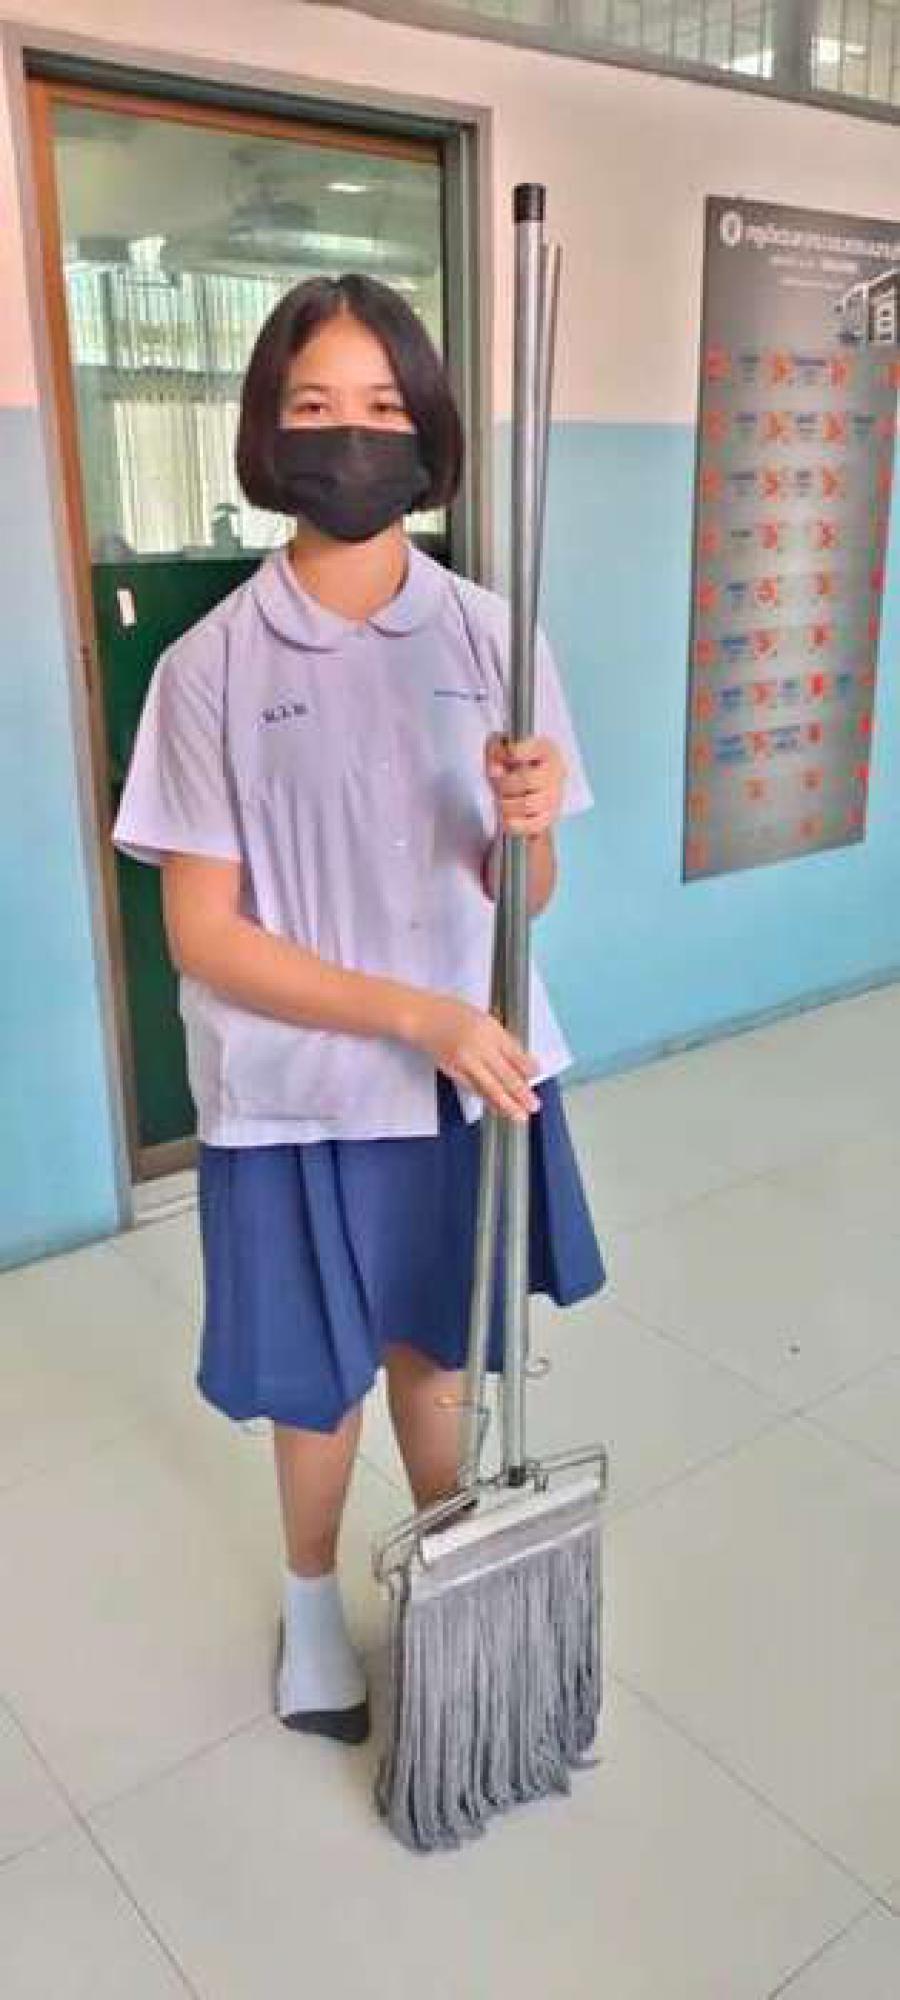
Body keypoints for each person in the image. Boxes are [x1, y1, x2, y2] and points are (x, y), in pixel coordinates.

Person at [113, 273, 605, 1748]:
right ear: (268, 434)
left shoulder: (495, 638)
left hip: (468, 1077)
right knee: (316, 1380)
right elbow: (205, 935)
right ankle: (313, 1603)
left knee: (436, 1351)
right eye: (315, 405)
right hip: (295, 1092)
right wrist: (414, 1017)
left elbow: (527, 897)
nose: (352, 436)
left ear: (428, 430)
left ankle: (454, 1583)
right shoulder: (209, 669)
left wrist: (527, 829)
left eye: (385, 407)